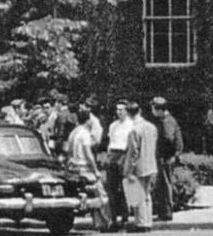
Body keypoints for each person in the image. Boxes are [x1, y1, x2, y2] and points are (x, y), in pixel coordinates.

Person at [67, 109, 111, 232]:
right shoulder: (85, 134)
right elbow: (88, 153)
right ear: (88, 120)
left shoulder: (73, 132)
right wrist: (95, 169)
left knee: (91, 195)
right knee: (101, 195)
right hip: (84, 167)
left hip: (74, 167)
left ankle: (98, 223)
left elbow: (69, 151)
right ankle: (106, 222)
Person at [123, 100, 158, 232]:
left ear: (128, 113)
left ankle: (141, 223)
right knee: (147, 195)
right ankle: (148, 222)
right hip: (151, 164)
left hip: (139, 167)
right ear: (140, 111)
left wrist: (128, 170)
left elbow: (133, 153)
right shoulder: (151, 127)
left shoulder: (134, 130)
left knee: (138, 196)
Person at [150, 96, 184, 221]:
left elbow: (169, 138)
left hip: (166, 157)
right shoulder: (166, 119)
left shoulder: (166, 121)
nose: (152, 111)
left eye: (153, 108)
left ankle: (166, 213)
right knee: (163, 185)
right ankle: (163, 212)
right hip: (166, 157)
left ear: (159, 109)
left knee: (165, 185)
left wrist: (169, 155)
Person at [105, 99, 133, 231]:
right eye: (117, 110)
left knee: (123, 188)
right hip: (113, 155)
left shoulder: (131, 125)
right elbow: (110, 142)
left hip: (124, 154)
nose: (119, 112)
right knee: (111, 188)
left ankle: (125, 216)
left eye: (122, 110)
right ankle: (113, 216)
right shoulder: (113, 125)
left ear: (127, 111)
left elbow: (131, 145)